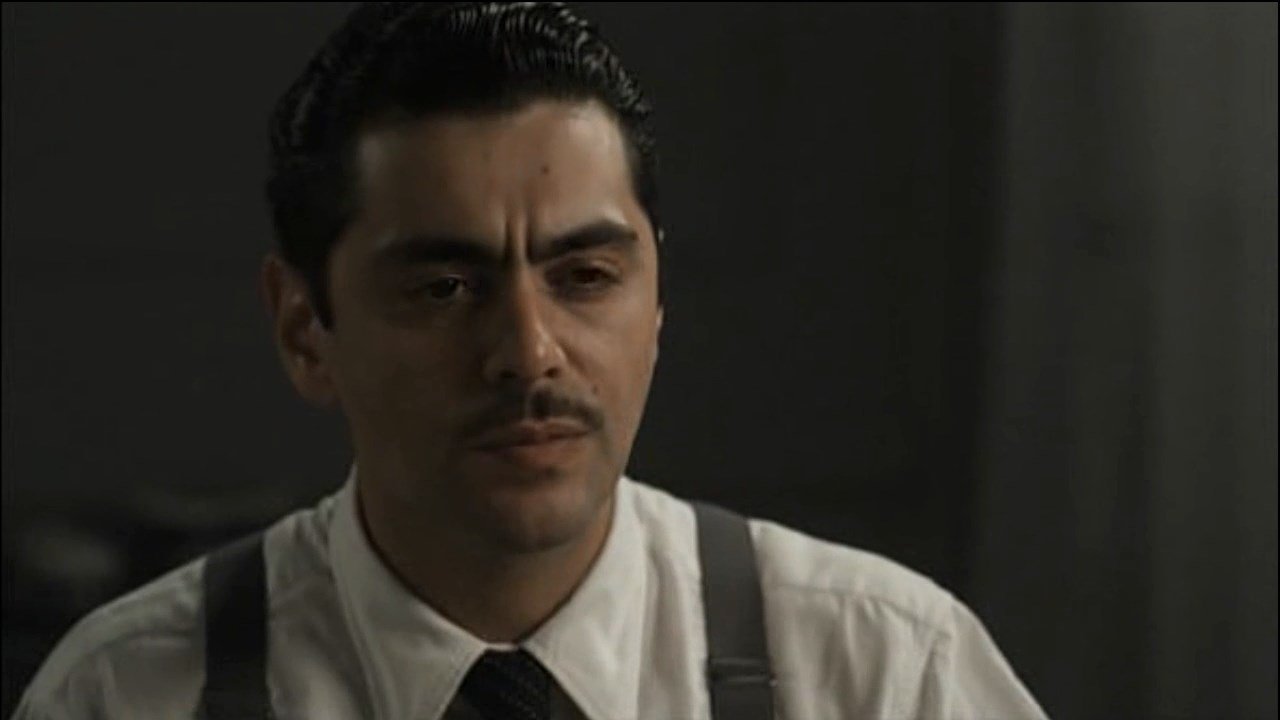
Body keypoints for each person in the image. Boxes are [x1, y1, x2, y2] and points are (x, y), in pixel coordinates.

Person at [12, 3, 1048, 719]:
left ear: (656, 301)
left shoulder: (880, 672)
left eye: (585, 275)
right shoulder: (130, 696)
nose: (526, 352)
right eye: (441, 287)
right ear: (302, 330)